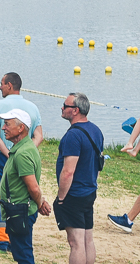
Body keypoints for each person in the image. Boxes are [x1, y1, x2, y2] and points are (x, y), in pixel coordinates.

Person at [0, 72, 44, 252]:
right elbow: (39, 136)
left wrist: (11, 154)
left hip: (0, 156)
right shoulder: (33, 107)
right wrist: (25, 150)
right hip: (23, 157)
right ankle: (16, 238)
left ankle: (0, 240)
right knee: (21, 195)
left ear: (10, 85)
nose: (0, 87)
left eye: (1, 84)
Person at [55, 93, 103, 264]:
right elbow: (98, 165)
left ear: (75, 110)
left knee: (75, 243)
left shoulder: (73, 136)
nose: (62, 107)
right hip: (89, 191)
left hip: (74, 194)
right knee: (87, 239)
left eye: (65, 105)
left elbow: (68, 171)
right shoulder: (96, 131)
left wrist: (61, 198)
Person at [0, 108, 52, 263]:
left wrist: (40, 202)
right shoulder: (24, 148)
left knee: (23, 255)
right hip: (18, 210)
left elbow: (33, 187)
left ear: (21, 128)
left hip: (20, 211)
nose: (3, 128)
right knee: (20, 252)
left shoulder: (23, 153)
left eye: (7, 124)